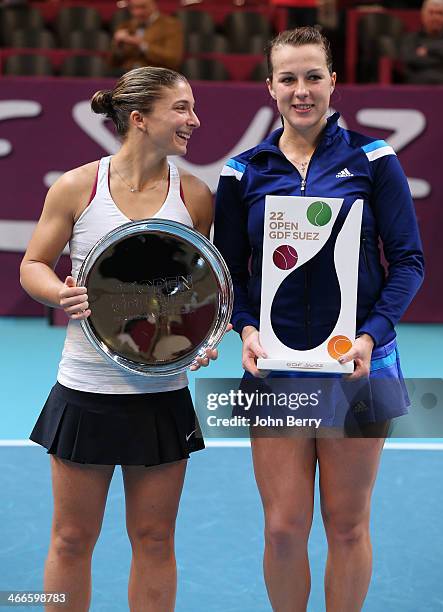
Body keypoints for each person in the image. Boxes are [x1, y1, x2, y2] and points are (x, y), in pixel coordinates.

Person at [214, 27, 424, 611]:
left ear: (333, 82)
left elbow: (408, 261)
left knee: (346, 526)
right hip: (276, 370)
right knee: (283, 528)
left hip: (359, 365)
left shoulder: (375, 160)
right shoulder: (242, 172)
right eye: (288, 79)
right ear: (269, 88)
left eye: (313, 77)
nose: (301, 90)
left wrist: (369, 336)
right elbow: (229, 273)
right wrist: (247, 329)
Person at [20, 66, 218, 612]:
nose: (194, 120)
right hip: (85, 391)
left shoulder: (196, 196)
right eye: (181, 109)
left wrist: (208, 334)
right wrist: (59, 294)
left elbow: (207, 291)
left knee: (154, 540)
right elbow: (34, 264)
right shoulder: (77, 187)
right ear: (139, 118)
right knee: (71, 539)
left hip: (162, 396)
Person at [110, 0, 183, 74]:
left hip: (158, 76)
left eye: (143, 7)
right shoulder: (126, 26)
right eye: (133, 8)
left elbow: (173, 60)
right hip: (127, 75)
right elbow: (112, 63)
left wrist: (141, 44)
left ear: (154, 5)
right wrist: (118, 46)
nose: (137, 12)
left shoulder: (171, 25)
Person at [400, 0, 443, 84]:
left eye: (440, 13)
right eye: (431, 13)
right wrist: (440, 59)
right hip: (417, 87)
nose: (435, 17)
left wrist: (428, 49)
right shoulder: (411, 38)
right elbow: (410, 59)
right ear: (423, 15)